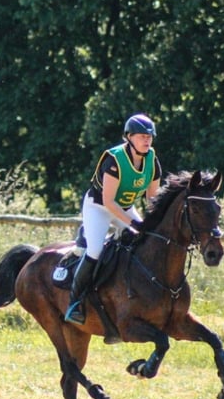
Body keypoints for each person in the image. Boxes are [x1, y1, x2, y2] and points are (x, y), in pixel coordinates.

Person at [64, 113, 162, 326]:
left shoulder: (152, 160)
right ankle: (75, 301)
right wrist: (134, 223)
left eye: (149, 137)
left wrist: (153, 225)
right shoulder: (115, 159)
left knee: (145, 243)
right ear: (129, 137)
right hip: (98, 207)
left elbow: (152, 198)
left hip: (125, 208)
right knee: (95, 251)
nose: (147, 140)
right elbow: (109, 201)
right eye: (142, 136)